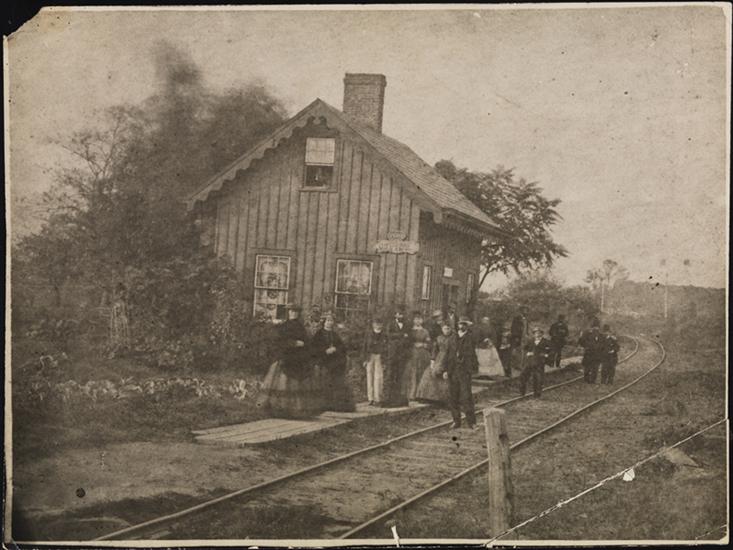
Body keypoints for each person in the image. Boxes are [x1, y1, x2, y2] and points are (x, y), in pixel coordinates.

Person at [260, 304, 321, 418]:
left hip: (299, 359)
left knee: (298, 383)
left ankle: (295, 410)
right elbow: (278, 341)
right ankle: (280, 408)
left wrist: (304, 345)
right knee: (283, 382)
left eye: (296, 312)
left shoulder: (301, 327)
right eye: (292, 311)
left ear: (298, 313)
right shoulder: (283, 326)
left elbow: (307, 342)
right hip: (286, 357)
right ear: (288, 312)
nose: (293, 313)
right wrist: (293, 343)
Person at [311, 312, 354, 411]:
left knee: (335, 383)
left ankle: (333, 404)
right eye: (328, 321)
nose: (329, 323)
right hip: (322, 362)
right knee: (323, 382)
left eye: (331, 321)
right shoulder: (318, 334)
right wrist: (325, 351)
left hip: (334, 363)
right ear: (324, 322)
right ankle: (322, 404)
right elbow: (313, 349)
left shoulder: (335, 335)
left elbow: (342, 347)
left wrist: (335, 349)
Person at [450, 317, 478, 428]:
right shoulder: (453, 337)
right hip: (453, 370)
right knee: (453, 397)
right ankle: (456, 421)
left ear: (467, 326)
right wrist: (446, 370)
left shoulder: (470, 338)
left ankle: (472, 422)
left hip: (464, 371)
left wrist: (470, 367)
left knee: (466, 397)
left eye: (464, 324)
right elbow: (448, 353)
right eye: (460, 324)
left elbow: (471, 355)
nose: (462, 326)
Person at [416, 322, 453, 404]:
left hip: (449, 358)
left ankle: (443, 399)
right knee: (429, 373)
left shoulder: (453, 338)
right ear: (442, 329)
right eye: (445, 329)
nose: (446, 331)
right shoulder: (439, 338)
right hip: (439, 358)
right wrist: (432, 360)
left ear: (451, 329)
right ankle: (428, 397)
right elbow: (435, 349)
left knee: (445, 375)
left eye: (448, 329)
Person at [383, 308, 412, 407]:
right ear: (395, 315)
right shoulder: (390, 324)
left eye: (402, 314)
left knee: (400, 376)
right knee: (390, 375)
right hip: (392, 354)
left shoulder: (407, 325)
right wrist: (401, 335)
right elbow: (388, 335)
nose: (401, 316)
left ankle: (398, 398)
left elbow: (409, 338)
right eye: (399, 314)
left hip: (402, 355)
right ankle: (388, 398)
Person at [404, 312, 432, 401]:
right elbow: (406, 342)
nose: (418, 321)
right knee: (412, 372)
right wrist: (412, 345)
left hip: (423, 354)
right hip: (412, 353)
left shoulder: (425, 331)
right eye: (416, 319)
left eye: (420, 319)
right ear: (413, 320)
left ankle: (420, 395)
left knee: (421, 372)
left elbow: (429, 343)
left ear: (422, 321)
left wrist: (423, 345)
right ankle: (411, 394)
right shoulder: (410, 331)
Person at [519, 326, 552, 398]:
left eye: (539, 333)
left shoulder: (546, 342)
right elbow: (525, 348)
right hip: (530, 362)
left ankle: (537, 394)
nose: (537, 334)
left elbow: (551, 351)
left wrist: (545, 355)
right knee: (523, 375)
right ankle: (522, 391)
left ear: (541, 334)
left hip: (539, 363)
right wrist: (527, 353)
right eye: (535, 333)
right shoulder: (531, 341)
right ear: (534, 334)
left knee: (538, 378)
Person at [363, 318, 388, 406]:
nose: (377, 325)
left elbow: (386, 349)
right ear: (373, 324)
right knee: (369, 376)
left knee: (378, 377)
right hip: (370, 356)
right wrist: (364, 359)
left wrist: (384, 362)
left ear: (382, 325)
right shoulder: (368, 334)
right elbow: (364, 347)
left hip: (379, 356)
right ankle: (370, 398)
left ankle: (378, 398)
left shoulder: (384, 335)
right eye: (376, 323)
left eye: (379, 323)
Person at [579, 318, 603, 384]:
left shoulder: (586, 332)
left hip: (589, 352)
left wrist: (586, 346)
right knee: (594, 367)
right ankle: (592, 380)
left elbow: (581, 341)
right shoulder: (600, 334)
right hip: (596, 353)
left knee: (588, 366)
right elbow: (603, 344)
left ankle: (587, 379)